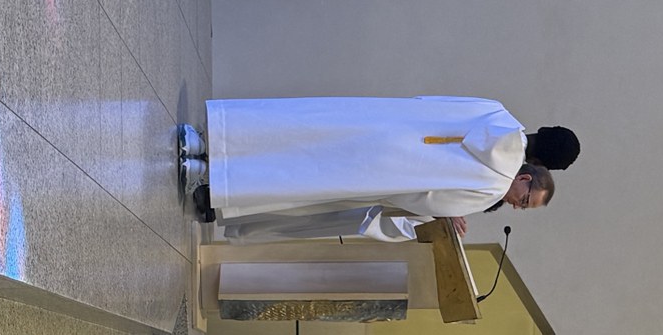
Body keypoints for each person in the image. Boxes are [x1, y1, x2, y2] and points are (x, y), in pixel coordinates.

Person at [184, 96, 559, 240]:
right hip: (383, 172)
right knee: (300, 178)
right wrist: (440, 215)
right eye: (525, 200)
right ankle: (213, 187)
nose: (517, 205)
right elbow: (427, 202)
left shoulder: (495, 110)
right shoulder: (493, 187)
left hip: (382, 122)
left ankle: (203, 143)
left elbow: (431, 101)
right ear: (527, 175)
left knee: (301, 127)